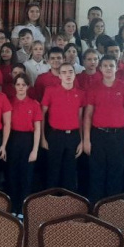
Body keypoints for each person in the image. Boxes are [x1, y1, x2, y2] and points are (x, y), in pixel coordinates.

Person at [83, 56, 124, 202]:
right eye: (105, 65)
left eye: (111, 65)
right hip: (98, 135)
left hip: (119, 136)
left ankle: (112, 209)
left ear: (117, 68)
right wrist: (86, 140)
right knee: (96, 173)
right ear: (100, 68)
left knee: (116, 174)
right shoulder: (94, 87)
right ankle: (95, 208)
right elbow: (88, 116)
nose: (108, 68)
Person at [41, 63, 85, 191]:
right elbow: (42, 115)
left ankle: (68, 201)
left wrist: (81, 140)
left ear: (75, 74)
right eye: (64, 72)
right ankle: (51, 201)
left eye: (70, 72)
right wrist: (43, 138)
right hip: (55, 136)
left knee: (70, 173)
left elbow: (80, 118)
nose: (68, 75)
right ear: (59, 76)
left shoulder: (80, 93)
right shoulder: (50, 91)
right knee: (52, 171)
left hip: (73, 136)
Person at [7, 73, 42, 215]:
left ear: (28, 86)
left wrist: (35, 150)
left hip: (27, 140)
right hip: (12, 139)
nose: (20, 87)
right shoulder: (9, 102)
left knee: (26, 176)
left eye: (23, 85)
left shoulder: (34, 104)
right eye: (18, 84)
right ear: (14, 86)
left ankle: (23, 209)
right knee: (12, 174)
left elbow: (37, 129)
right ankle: (13, 208)